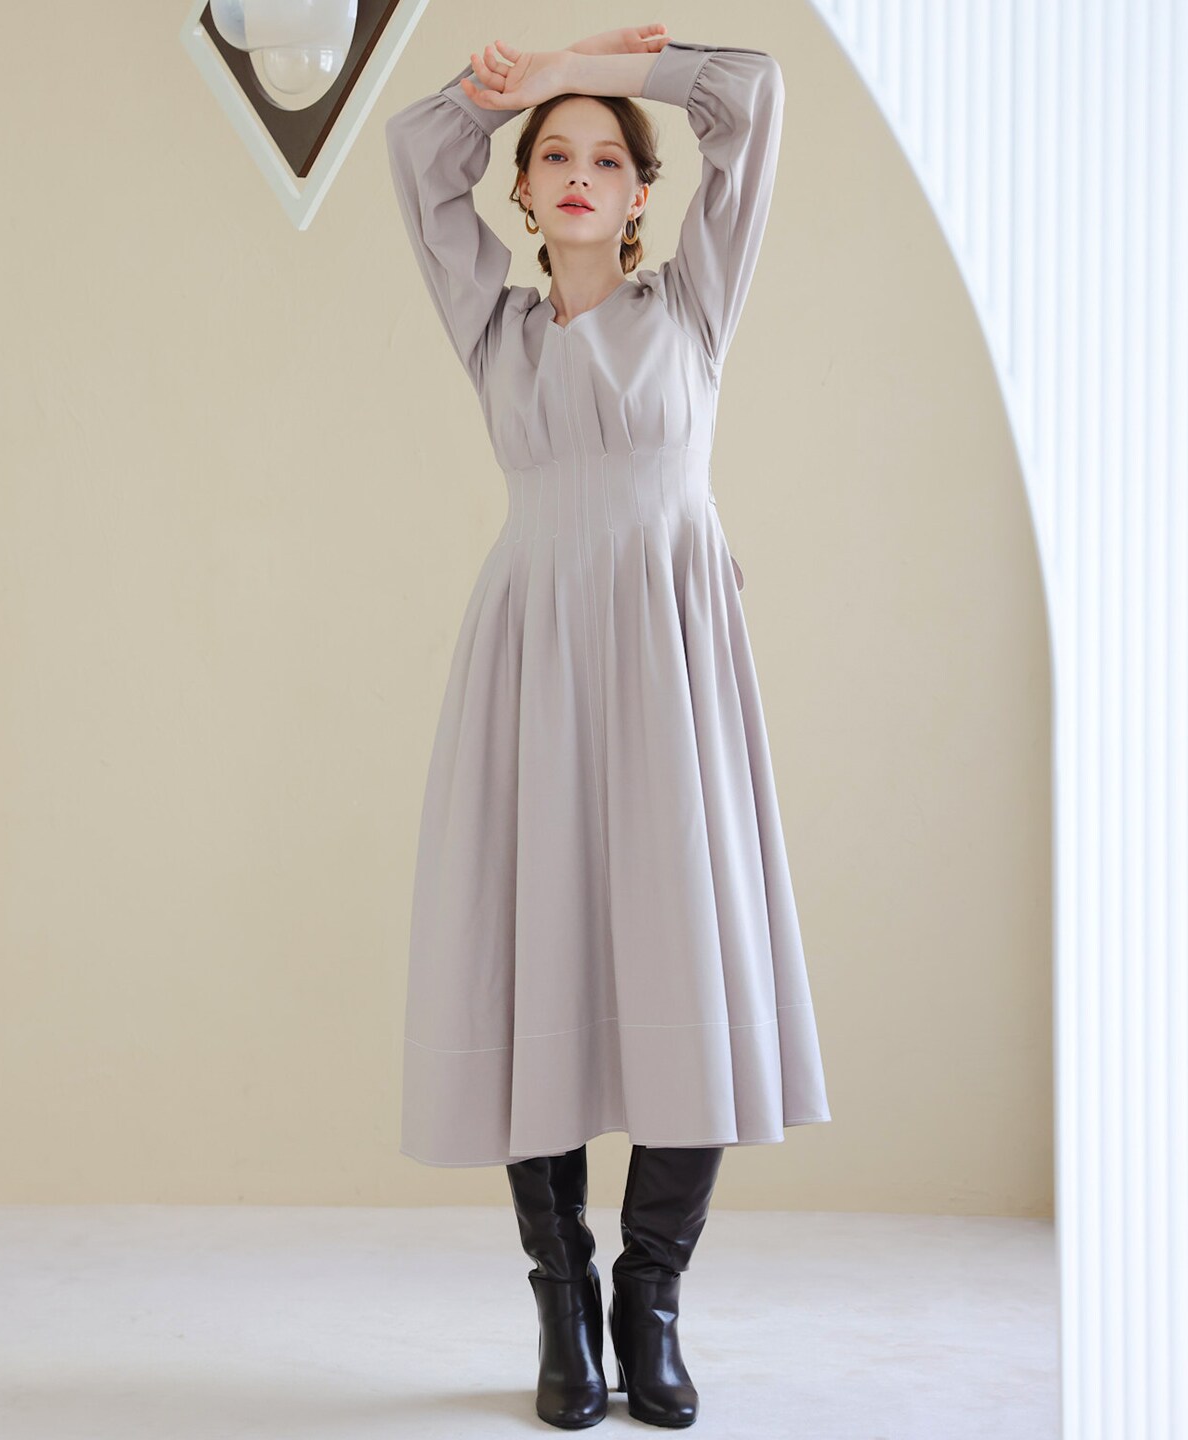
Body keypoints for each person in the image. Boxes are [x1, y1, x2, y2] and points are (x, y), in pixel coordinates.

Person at [384, 25, 831, 1430]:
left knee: (687, 958)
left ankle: (654, 1300)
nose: (580, 174)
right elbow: (415, 153)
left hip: (673, 667)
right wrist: (500, 94)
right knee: (539, 970)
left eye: (607, 159)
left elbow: (754, 96)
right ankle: (564, 1303)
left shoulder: (694, 305)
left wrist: (594, 65)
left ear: (643, 191)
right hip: (534, 663)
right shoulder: (495, 326)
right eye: (553, 158)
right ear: (524, 192)